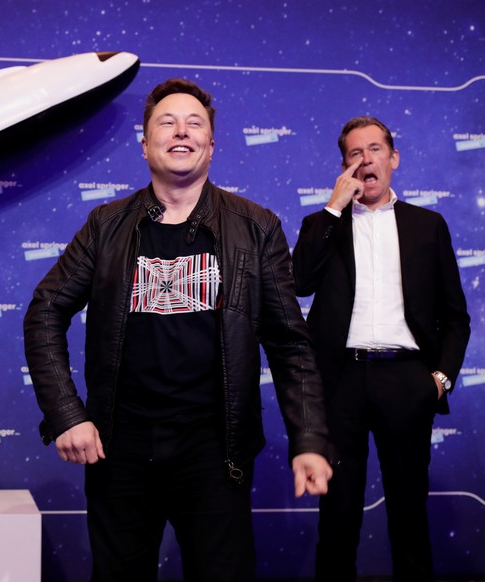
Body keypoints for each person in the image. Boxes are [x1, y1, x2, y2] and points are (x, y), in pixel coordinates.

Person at [23, 78, 332, 581]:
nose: (181, 132)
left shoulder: (256, 227)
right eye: (166, 122)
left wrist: (311, 438)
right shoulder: (105, 224)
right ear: (145, 144)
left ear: (212, 144)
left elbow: (290, 343)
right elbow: (45, 311)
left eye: (195, 124)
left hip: (215, 453)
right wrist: (64, 413)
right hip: (118, 449)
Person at [293, 116, 471, 581]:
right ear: (344, 167)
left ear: (393, 159)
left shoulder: (428, 225)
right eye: (355, 153)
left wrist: (439, 380)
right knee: (338, 518)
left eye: (375, 149)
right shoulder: (322, 223)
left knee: (410, 517)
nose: (366, 159)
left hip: (407, 381)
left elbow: (456, 317)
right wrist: (333, 209)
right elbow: (298, 282)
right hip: (340, 384)